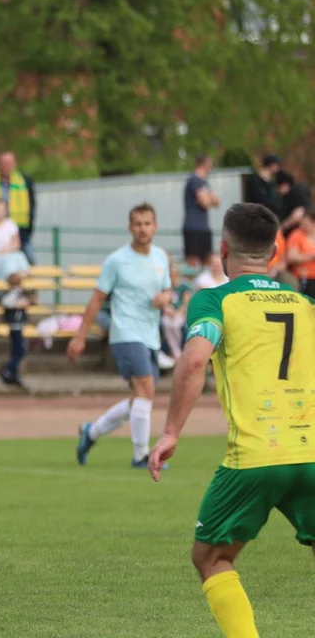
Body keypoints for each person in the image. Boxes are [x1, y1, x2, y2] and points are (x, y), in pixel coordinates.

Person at [148, 203, 315, 638]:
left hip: (255, 456)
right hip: (313, 452)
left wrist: (170, 432)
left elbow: (194, 360)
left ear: (223, 250)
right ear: (276, 252)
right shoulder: (305, 302)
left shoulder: (214, 299)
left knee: (211, 558)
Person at [69, 203, 171, 469]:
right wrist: (80, 336)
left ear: (155, 226)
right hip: (125, 333)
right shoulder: (117, 260)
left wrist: (165, 297)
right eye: (137, 224)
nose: (142, 229)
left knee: (141, 398)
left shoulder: (161, 256)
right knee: (146, 390)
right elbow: (96, 299)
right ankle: (140, 455)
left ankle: (91, 432)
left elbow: (169, 291)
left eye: (147, 223)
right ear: (130, 228)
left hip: (151, 335)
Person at [0, 151, 36, 263]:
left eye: (10, 163)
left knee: (28, 259)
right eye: (4, 163)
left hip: (20, 228)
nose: (7, 166)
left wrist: (28, 228)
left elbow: (31, 206)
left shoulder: (24, 181)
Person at [182, 154, 220, 269]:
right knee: (193, 264)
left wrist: (208, 198)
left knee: (207, 262)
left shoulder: (205, 183)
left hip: (204, 228)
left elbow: (217, 202)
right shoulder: (194, 180)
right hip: (193, 228)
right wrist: (208, 198)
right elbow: (205, 202)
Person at [0, 272, 31, 390]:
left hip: (18, 325)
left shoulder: (19, 294)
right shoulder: (13, 294)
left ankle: (14, 374)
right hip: (15, 325)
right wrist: (20, 304)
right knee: (20, 351)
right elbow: (7, 303)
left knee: (16, 351)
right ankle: (7, 371)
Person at [285, 208, 315, 298]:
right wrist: (312, 256)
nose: (302, 225)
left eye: (305, 223)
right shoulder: (297, 235)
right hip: (305, 277)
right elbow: (292, 257)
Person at [242, 153, 282, 219]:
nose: (278, 168)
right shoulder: (254, 181)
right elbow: (260, 201)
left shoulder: (271, 184)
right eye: (277, 165)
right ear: (272, 165)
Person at [274, 170, 311, 237]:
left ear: (284, 185)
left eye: (278, 187)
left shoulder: (294, 193)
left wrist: (282, 227)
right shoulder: (288, 195)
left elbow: (298, 213)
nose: (277, 191)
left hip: (297, 233)